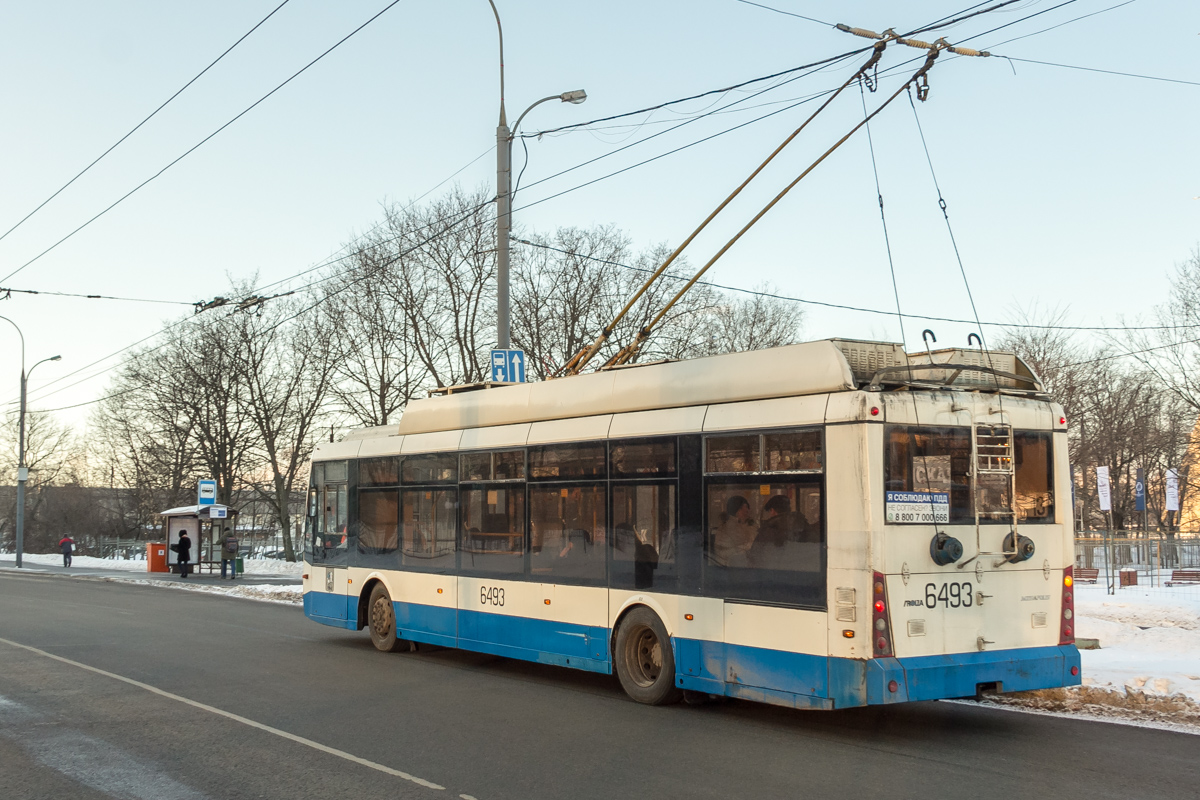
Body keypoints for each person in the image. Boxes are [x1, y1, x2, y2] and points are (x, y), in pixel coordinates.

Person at [711, 495, 756, 566]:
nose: (747, 512)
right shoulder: (727, 529)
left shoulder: (747, 526)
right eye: (744, 510)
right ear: (737, 511)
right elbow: (723, 553)